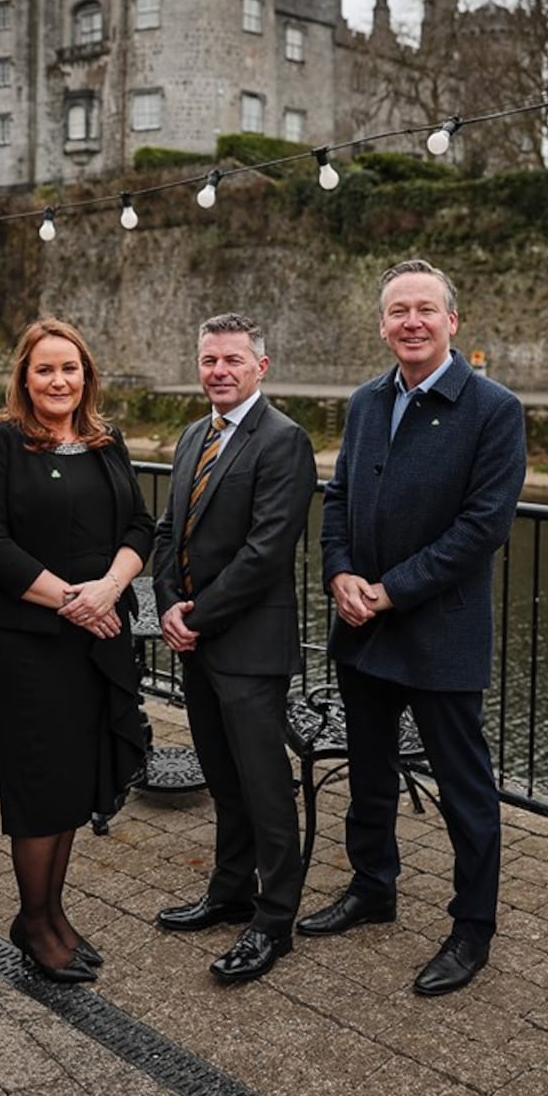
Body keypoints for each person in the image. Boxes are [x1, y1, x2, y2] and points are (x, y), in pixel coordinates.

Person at [297, 259, 526, 995]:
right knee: (368, 775)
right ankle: (373, 888)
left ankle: (472, 928)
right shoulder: (367, 401)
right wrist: (339, 573)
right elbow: (338, 499)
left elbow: (482, 528)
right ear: (382, 325)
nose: (412, 322)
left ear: (452, 321)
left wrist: (389, 591)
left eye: (426, 309)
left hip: (439, 632)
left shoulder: (494, 409)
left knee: (465, 789)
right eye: (398, 311)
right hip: (362, 625)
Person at [0, 318, 154, 984]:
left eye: (69, 368)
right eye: (44, 369)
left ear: (86, 376)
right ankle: (34, 924)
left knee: (74, 779)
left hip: (95, 638)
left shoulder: (106, 441)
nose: (58, 380)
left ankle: (50, 914)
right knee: (40, 783)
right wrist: (73, 601)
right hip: (27, 643)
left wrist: (109, 589)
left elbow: (140, 525)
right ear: (24, 377)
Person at [153, 313, 317, 984]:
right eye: (209, 360)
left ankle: (274, 922)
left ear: (260, 366)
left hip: (248, 646)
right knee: (224, 779)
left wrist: (198, 616)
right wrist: (166, 600)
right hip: (197, 641)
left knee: (265, 789)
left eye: (232, 360)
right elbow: (169, 531)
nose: (218, 371)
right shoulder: (195, 435)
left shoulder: (284, 440)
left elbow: (266, 551)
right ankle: (229, 892)